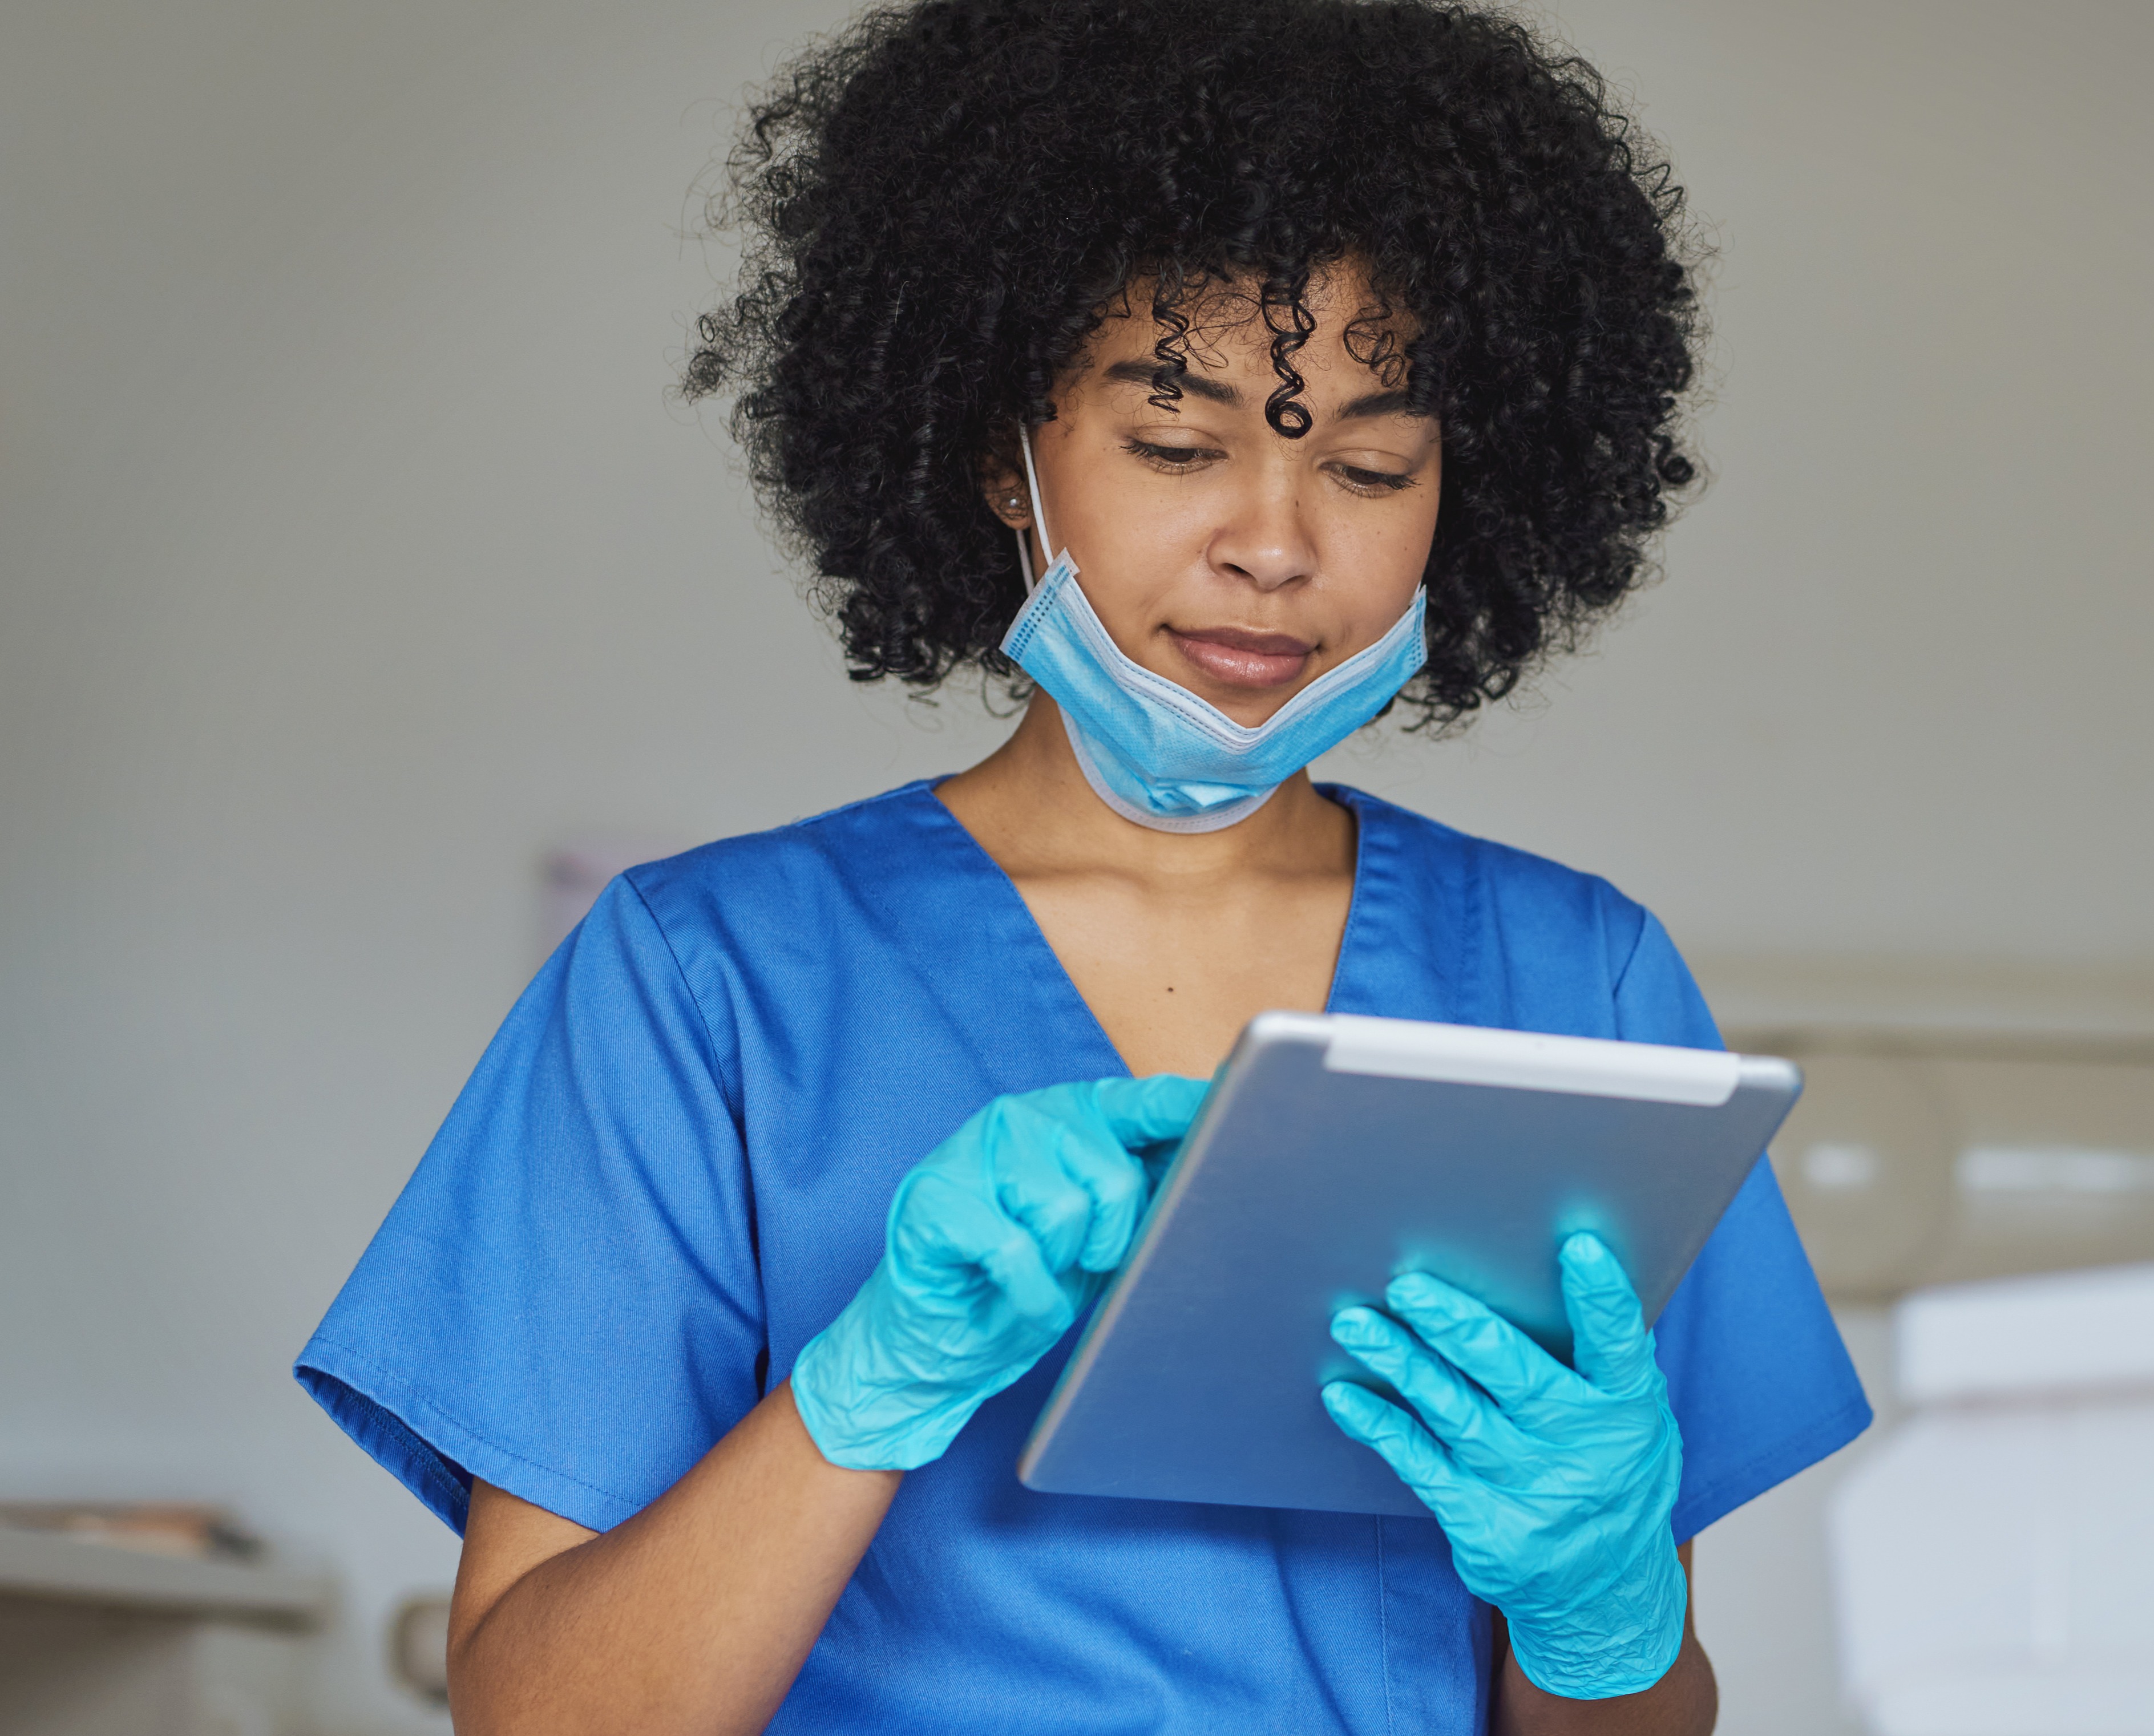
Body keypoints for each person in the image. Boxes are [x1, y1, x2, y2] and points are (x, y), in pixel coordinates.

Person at [292, 2, 1867, 1730]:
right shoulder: (709, 981)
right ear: (1000, 456)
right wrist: (860, 1391)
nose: (1273, 545)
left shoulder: (1579, 981)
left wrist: (1598, 1603)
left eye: (1368, 461)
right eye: (1176, 447)